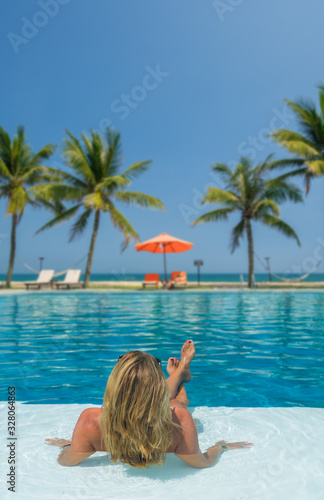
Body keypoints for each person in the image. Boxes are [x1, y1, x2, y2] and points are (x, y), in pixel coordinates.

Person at [45, 340, 253, 468]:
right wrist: (220, 447)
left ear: (114, 385)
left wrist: (68, 445)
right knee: (178, 401)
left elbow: (66, 461)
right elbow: (202, 462)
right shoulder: (179, 420)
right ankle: (180, 373)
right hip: (164, 413)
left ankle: (180, 373)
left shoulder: (90, 420)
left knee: (171, 400)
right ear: (158, 389)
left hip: (148, 408)